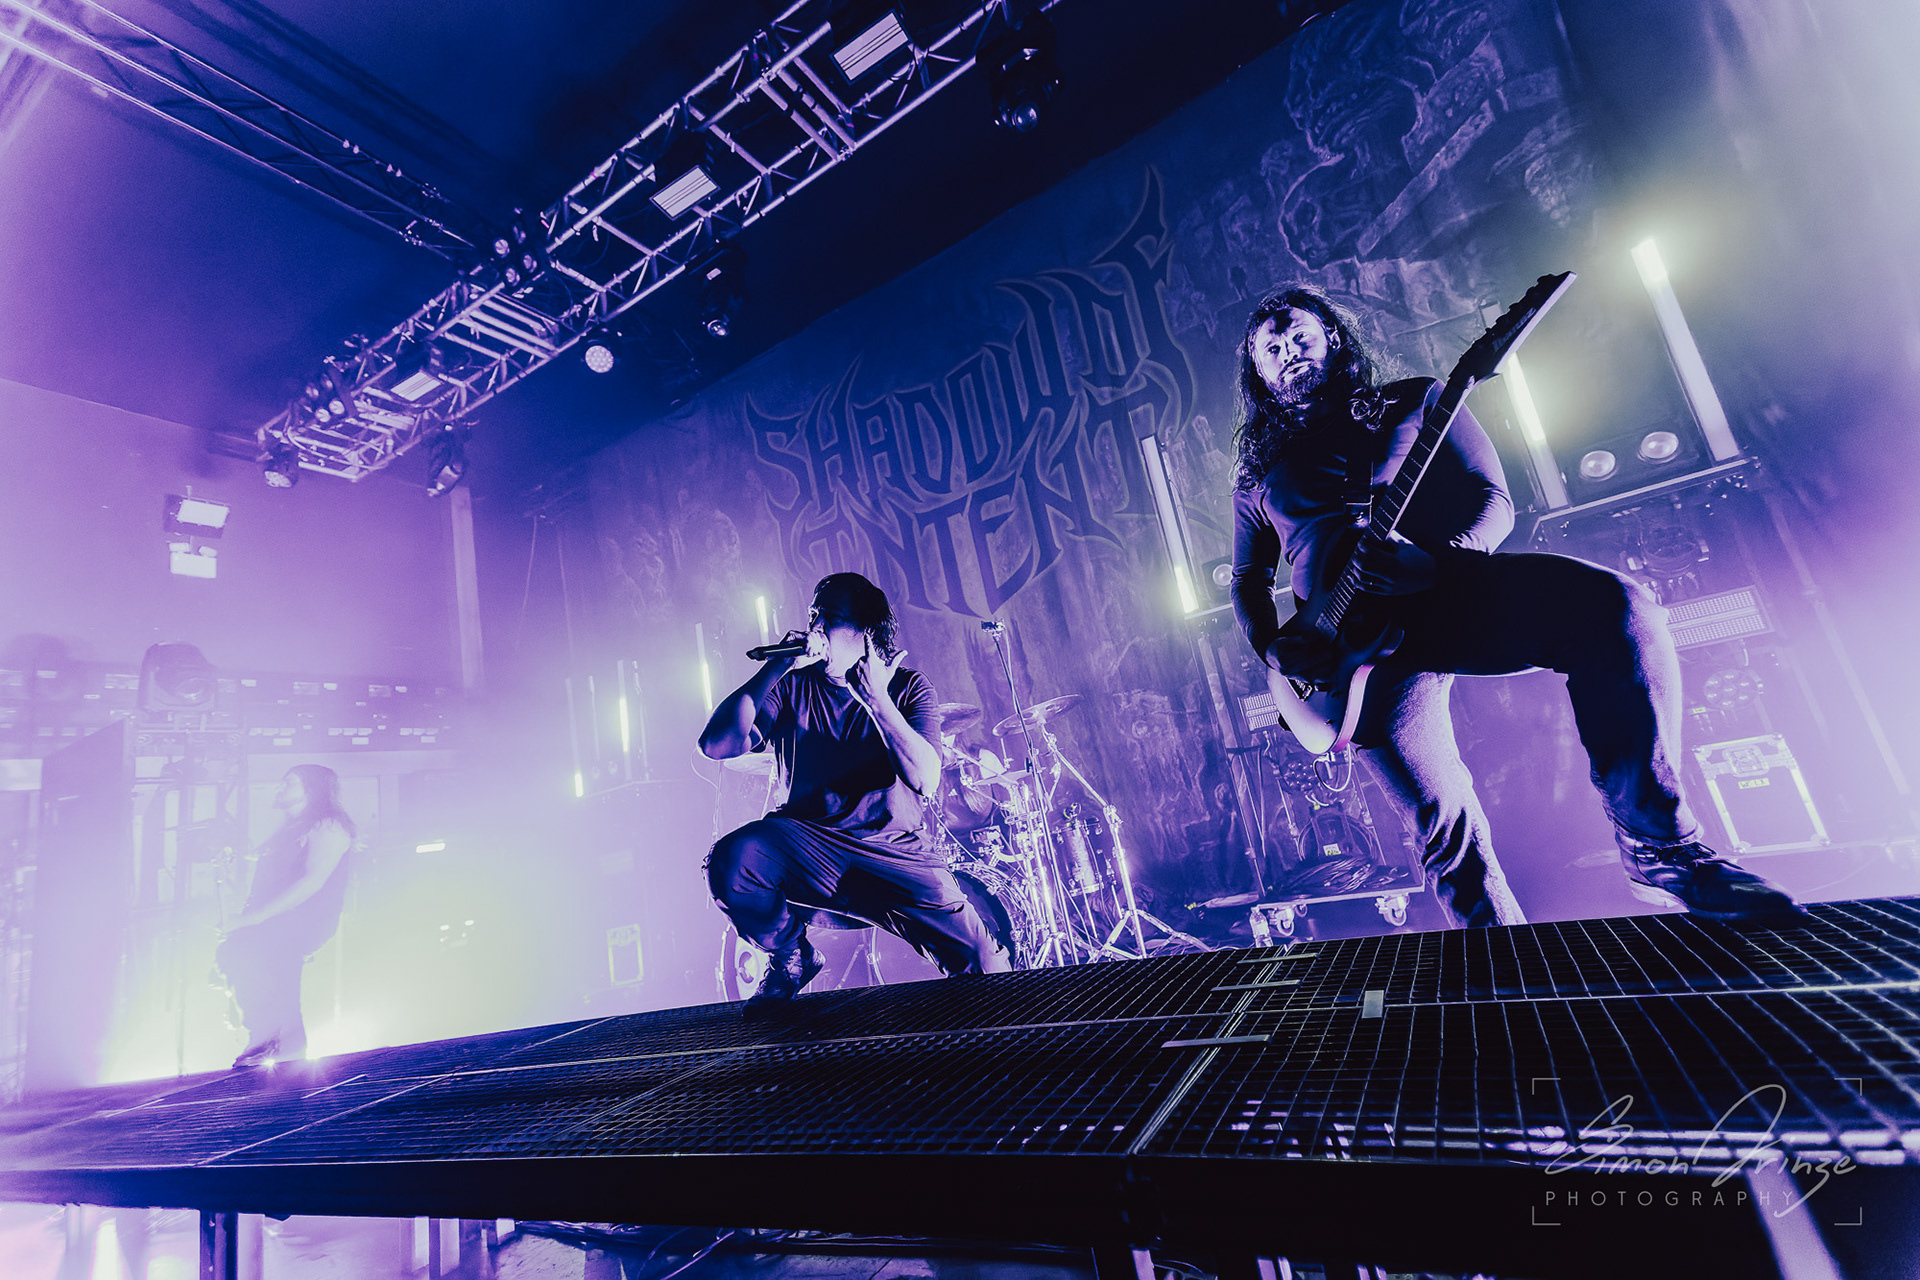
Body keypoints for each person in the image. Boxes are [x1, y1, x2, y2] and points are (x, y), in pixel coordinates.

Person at [1227, 286, 1802, 927]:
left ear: (1332, 336)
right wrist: (1273, 647)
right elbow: (1247, 578)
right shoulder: (1259, 472)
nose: (1287, 354)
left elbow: (1491, 498)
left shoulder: (1415, 401)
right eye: (1271, 349)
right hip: (1342, 655)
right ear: (1258, 371)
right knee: (1445, 831)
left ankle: (1661, 848)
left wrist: (1441, 561)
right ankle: (1511, 970)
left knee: (1616, 606)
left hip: (1445, 592)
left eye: (1298, 337)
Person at [700, 572, 1011, 1008]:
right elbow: (716, 744)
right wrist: (776, 667)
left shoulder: (908, 687)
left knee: (983, 964)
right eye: (813, 616)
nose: (815, 629)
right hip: (810, 845)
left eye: (828, 617)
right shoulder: (791, 686)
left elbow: (926, 779)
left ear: (864, 631)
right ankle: (792, 955)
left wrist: (877, 700)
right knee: (733, 861)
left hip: (893, 850)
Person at [216, 763, 354, 1066]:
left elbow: (312, 881)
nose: (280, 788)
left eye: (288, 783)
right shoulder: (286, 831)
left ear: (311, 789)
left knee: (273, 966)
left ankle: (282, 1047)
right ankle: (267, 1039)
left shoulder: (328, 825)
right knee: (236, 954)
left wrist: (254, 919)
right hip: (275, 918)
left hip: (304, 916)